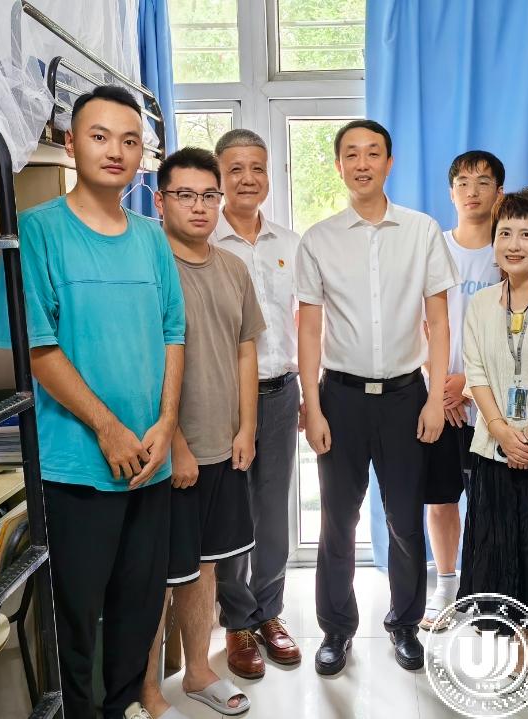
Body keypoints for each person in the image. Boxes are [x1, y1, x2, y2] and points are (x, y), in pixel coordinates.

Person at [0, 85, 185, 719]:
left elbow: (173, 333)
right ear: (70, 144)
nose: (116, 151)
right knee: (76, 614)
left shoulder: (152, 238)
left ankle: (125, 706)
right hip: (77, 465)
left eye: (129, 141)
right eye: (100, 137)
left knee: (138, 606)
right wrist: (106, 427)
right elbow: (38, 348)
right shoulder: (38, 231)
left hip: (149, 460)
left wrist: (166, 422)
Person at [295, 119, 458, 675]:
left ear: (389, 162)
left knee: (405, 518)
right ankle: (336, 629)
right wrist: (313, 405)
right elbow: (309, 331)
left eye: (372, 153)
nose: (362, 163)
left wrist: (434, 399)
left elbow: (439, 322)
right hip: (340, 398)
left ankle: (405, 623)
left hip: (405, 397)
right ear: (338, 165)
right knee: (337, 521)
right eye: (351, 154)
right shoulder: (318, 240)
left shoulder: (421, 230)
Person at [139, 147, 265, 718]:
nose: (199, 206)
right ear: (160, 199)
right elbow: (145, 363)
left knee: (206, 567)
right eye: (185, 195)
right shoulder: (149, 266)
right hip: (169, 453)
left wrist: (247, 427)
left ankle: (196, 671)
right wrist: (178, 446)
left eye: (208, 196)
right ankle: (146, 693)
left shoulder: (233, 267)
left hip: (224, 445)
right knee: (158, 578)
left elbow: (245, 350)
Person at [459, 188, 528, 706]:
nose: (514, 244)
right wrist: (501, 430)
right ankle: (520, 650)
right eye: (505, 233)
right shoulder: (482, 302)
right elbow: (475, 371)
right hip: (492, 448)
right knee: (502, 555)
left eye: (527, 233)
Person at [209, 129, 303, 679]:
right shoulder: (205, 241)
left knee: (273, 510)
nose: (248, 179)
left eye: (258, 168)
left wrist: (309, 396)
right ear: (220, 176)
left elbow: (305, 324)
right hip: (224, 398)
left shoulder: (290, 243)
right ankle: (237, 622)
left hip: (281, 391)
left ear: (269, 174)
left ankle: (269, 612)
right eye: (236, 169)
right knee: (232, 512)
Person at [419, 150, 504, 632]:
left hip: (491, 401)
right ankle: (446, 586)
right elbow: (417, 325)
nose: (473, 191)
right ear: (451, 192)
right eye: (464, 183)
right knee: (441, 497)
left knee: (492, 501)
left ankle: (487, 587)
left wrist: (468, 386)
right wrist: (440, 388)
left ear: (499, 192)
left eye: (484, 182)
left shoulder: (508, 250)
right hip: (439, 400)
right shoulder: (434, 250)